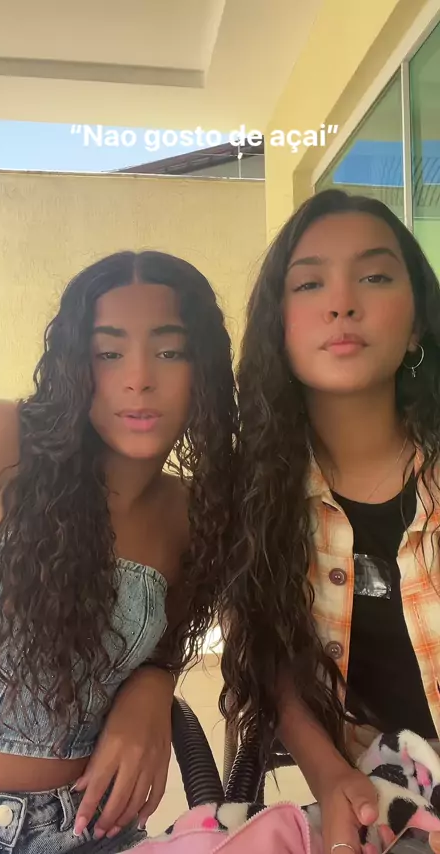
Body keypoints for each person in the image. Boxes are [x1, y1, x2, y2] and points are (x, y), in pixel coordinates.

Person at [0, 249, 237, 852]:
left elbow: (166, 643)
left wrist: (155, 685)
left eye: (169, 351)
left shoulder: (193, 514)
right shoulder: (3, 441)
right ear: (75, 365)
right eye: (109, 353)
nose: (138, 378)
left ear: (205, 369)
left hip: (87, 832)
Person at [219, 190, 440, 854]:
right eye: (310, 283)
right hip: (389, 804)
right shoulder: (254, 494)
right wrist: (328, 770)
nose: (342, 303)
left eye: (374, 277)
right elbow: (270, 655)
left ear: (417, 326)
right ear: (278, 328)